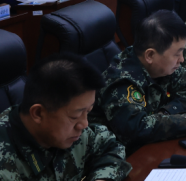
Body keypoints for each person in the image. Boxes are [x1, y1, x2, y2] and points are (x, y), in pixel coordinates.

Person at [92, 11, 186, 154]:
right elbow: (135, 130)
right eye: (177, 54)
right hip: (124, 157)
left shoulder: (161, 65)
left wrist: (165, 113)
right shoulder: (121, 81)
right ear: (150, 55)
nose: (182, 59)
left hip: (155, 147)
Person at [0, 52, 132, 181]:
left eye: (88, 111)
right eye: (75, 116)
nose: (84, 124)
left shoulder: (71, 132)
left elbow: (111, 147)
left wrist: (102, 178)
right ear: (38, 113)